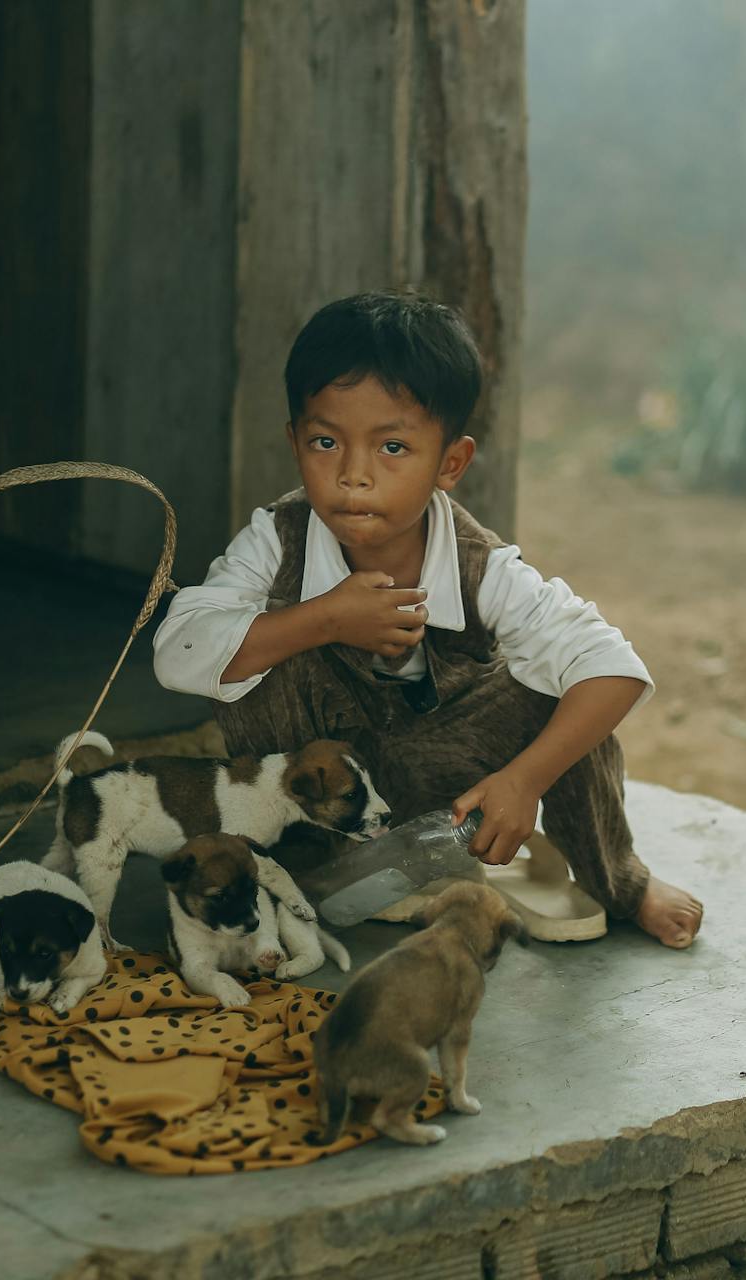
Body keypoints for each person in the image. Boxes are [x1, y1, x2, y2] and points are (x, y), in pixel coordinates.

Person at [152, 291, 702, 948]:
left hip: (452, 787)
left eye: (391, 448)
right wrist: (324, 619)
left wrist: (524, 780)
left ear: (450, 464)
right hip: (326, 789)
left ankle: (623, 883)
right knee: (250, 650)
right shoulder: (277, 540)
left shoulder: (482, 567)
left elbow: (615, 667)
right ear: (294, 441)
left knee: (567, 693)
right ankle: (309, 864)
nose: (353, 476)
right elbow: (177, 651)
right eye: (326, 442)